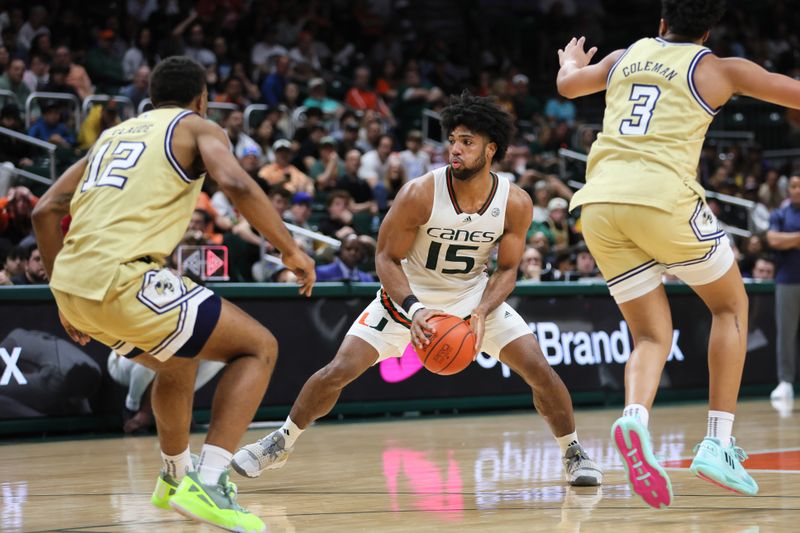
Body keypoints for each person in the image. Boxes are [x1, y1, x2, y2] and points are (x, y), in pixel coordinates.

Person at [231, 93, 602, 488]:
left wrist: (482, 311)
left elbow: (508, 269)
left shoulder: (515, 202)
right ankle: (281, 442)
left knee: (540, 370)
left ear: (491, 149)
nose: (455, 150)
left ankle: (573, 451)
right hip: (407, 300)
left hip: (473, 300)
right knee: (338, 371)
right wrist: (414, 308)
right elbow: (385, 259)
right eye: (453, 140)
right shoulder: (420, 193)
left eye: (467, 142)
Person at [31, 56, 316, 533]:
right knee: (258, 347)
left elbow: (44, 210)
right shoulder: (197, 127)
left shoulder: (111, 137)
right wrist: (291, 249)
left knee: (177, 361)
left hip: (72, 284)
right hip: (124, 276)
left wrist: (63, 294)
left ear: (151, 98)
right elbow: (237, 183)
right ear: (201, 99)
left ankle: (173, 474)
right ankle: (208, 482)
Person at [555, 0, 800, 507]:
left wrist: (571, 63)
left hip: (599, 203)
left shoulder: (625, 55)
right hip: (662, 199)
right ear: (708, 30)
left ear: (661, 23)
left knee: (650, 334)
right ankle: (718, 442)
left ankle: (634, 418)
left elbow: (568, 86)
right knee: (730, 307)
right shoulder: (718, 69)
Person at [767, 175, 800, 402]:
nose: (798, 190)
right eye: (794, 186)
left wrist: (790, 240)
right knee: (786, 335)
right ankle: (785, 382)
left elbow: (782, 240)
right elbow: (773, 239)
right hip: (787, 280)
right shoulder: (779, 214)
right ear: (788, 189)